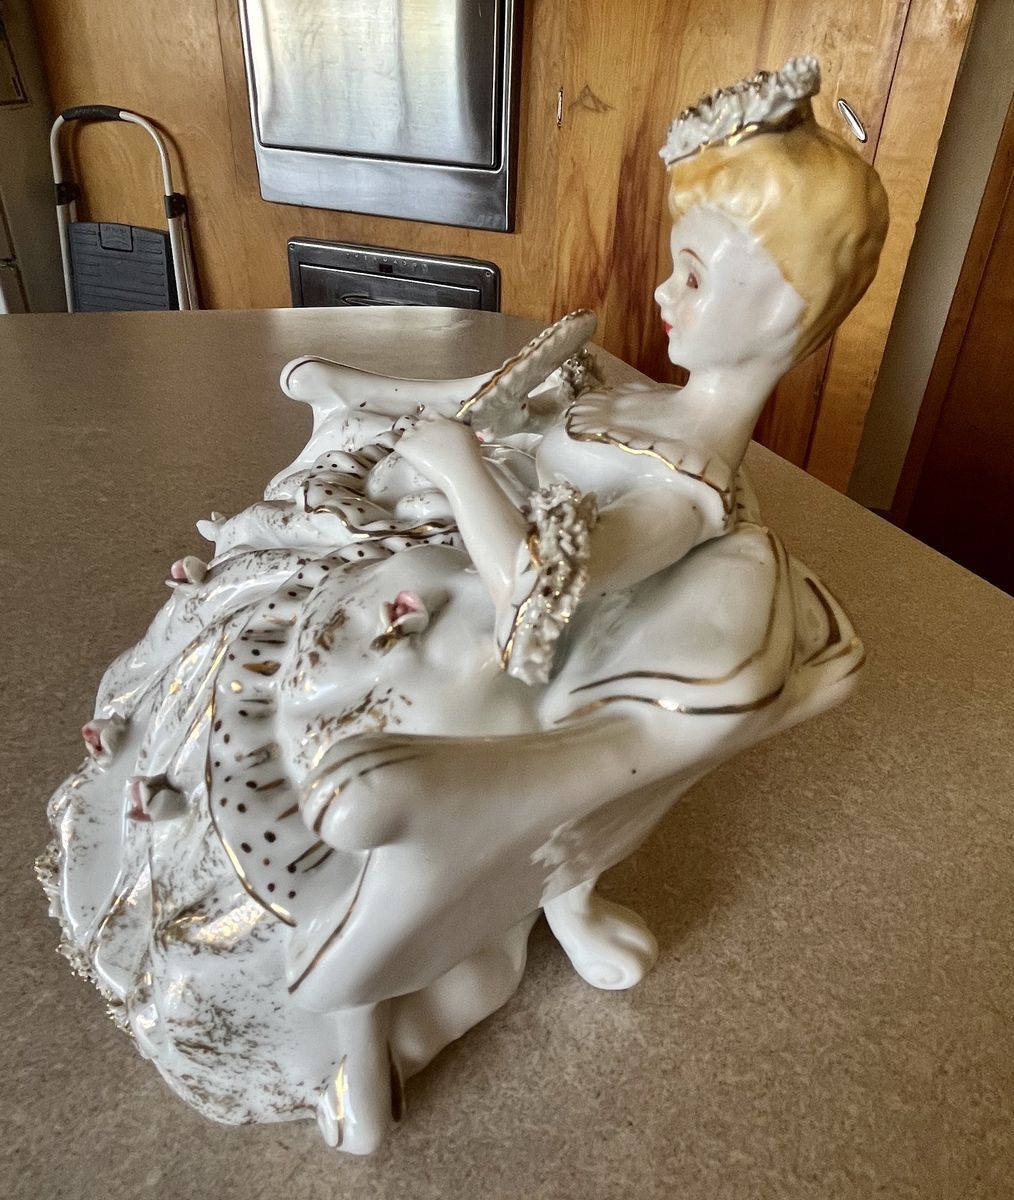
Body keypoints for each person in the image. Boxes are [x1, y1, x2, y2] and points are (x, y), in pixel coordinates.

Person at [43, 56, 887, 1154]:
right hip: (416, 586)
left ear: (777, 309)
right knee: (250, 652)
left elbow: (539, 588)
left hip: (479, 656)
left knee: (345, 784)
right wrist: (363, 393)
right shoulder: (638, 402)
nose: (663, 295)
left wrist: (455, 467)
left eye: (693, 275)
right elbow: (486, 407)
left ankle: (368, 1028)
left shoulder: (683, 494)